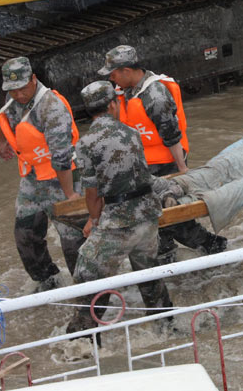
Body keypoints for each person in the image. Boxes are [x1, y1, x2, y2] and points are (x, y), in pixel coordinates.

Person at [98, 45, 227, 264]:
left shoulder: (155, 96)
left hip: (166, 164)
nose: (111, 79)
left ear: (126, 71)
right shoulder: (127, 90)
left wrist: (182, 170)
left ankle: (215, 246)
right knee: (156, 220)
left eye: (113, 74)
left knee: (172, 218)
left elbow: (172, 136)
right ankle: (168, 258)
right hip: (144, 166)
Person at [67, 81, 175, 335]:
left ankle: (82, 337)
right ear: (112, 105)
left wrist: (94, 222)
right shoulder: (132, 133)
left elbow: (92, 193)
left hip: (118, 222)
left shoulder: (86, 143)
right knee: (148, 272)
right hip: (147, 216)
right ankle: (167, 328)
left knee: (86, 272)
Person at [0, 56, 84, 292]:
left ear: (34, 79)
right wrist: (2, 141)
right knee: (25, 234)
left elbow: (62, 158)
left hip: (64, 178)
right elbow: (5, 117)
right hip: (33, 179)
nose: (18, 94)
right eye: (12, 90)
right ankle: (48, 281)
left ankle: (87, 289)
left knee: (73, 239)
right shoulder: (12, 98)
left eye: (22, 88)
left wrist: (70, 197)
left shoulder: (52, 108)